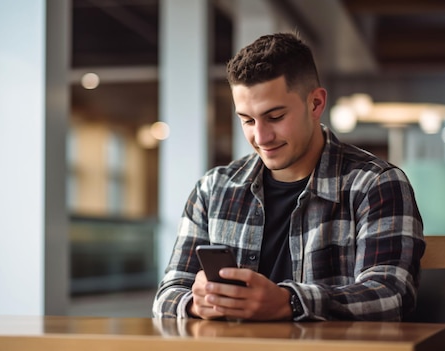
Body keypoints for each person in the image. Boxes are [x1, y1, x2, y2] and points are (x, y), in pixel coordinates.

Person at [152, 32, 425, 321]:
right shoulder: (213, 189)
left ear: (316, 104)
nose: (261, 137)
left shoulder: (376, 184)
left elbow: (392, 295)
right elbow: (167, 295)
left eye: (275, 117)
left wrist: (289, 302)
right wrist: (196, 304)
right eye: (247, 120)